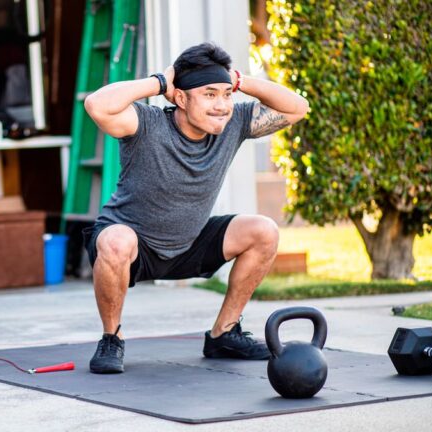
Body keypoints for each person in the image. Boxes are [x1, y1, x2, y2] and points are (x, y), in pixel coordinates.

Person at [82, 42, 309, 374]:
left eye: (226, 94)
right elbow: (96, 105)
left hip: (190, 243)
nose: (221, 106)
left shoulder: (234, 123)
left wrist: (239, 80)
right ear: (182, 98)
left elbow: (297, 108)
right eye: (209, 94)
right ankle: (111, 338)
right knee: (116, 241)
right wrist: (160, 82)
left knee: (263, 231)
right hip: (135, 247)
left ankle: (223, 334)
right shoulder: (145, 124)